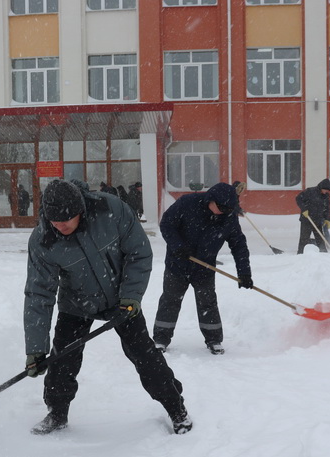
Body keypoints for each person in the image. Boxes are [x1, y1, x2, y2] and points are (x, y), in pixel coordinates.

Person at [24, 180, 192, 435]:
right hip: (77, 302)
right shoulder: (43, 240)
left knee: (145, 356)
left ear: (80, 209)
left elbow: (139, 253)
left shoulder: (110, 210)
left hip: (121, 299)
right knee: (62, 360)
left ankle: (176, 408)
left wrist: (130, 297)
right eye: (55, 220)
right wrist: (36, 349)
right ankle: (57, 413)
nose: (61, 225)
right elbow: (39, 293)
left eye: (67, 218)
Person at [153, 182, 252, 355]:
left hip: (204, 267)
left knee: (208, 302)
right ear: (211, 200)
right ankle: (160, 339)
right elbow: (167, 224)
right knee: (170, 300)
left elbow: (238, 245)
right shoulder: (187, 203)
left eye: (228, 209)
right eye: (221, 207)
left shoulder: (228, 216)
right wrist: (177, 246)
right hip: (178, 264)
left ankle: (214, 339)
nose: (223, 211)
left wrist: (244, 273)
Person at [295, 178, 330, 254]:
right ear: (321, 187)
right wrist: (304, 209)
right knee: (304, 238)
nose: (326, 192)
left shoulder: (326, 196)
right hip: (307, 219)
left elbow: (327, 208)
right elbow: (298, 199)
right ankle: (300, 253)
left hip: (317, 220)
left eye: (327, 191)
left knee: (320, 238)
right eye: (325, 190)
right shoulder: (310, 191)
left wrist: (327, 219)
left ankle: (323, 253)